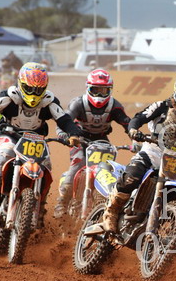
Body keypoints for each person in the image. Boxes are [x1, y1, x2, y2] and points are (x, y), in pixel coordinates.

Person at [102, 70, 176, 233]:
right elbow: (138, 118)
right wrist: (134, 129)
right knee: (131, 177)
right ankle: (111, 212)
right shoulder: (161, 106)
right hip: (152, 152)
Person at [0, 62, 81, 223]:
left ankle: (40, 207)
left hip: (36, 140)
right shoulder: (9, 96)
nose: (33, 93)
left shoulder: (49, 101)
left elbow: (64, 119)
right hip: (10, 134)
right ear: (21, 83)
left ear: (44, 88)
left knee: (46, 166)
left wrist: (73, 134)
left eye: (38, 90)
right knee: (5, 156)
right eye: (29, 88)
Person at [53, 69, 131, 218]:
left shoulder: (114, 105)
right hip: (79, 139)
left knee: (108, 169)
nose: (99, 94)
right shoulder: (78, 103)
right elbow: (64, 120)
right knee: (78, 163)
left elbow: (127, 124)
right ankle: (61, 203)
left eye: (104, 91)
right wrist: (64, 134)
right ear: (88, 88)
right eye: (96, 90)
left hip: (102, 140)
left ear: (110, 90)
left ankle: (104, 201)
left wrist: (135, 138)